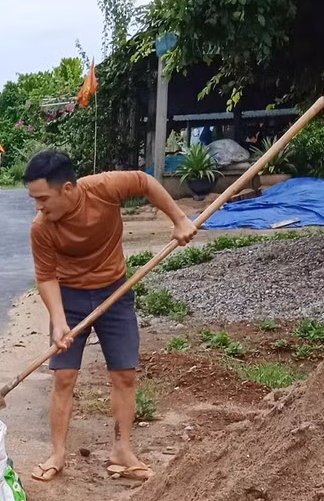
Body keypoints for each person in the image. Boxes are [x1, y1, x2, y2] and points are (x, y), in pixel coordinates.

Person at [23, 149, 197, 483]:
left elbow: (145, 183)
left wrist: (179, 220)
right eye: (34, 200)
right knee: (63, 376)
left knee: (124, 373)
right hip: (70, 297)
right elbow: (46, 276)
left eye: (43, 198)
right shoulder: (41, 228)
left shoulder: (104, 188)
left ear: (69, 189)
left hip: (114, 291)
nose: (39, 207)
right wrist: (59, 321)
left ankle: (122, 450)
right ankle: (58, 453)